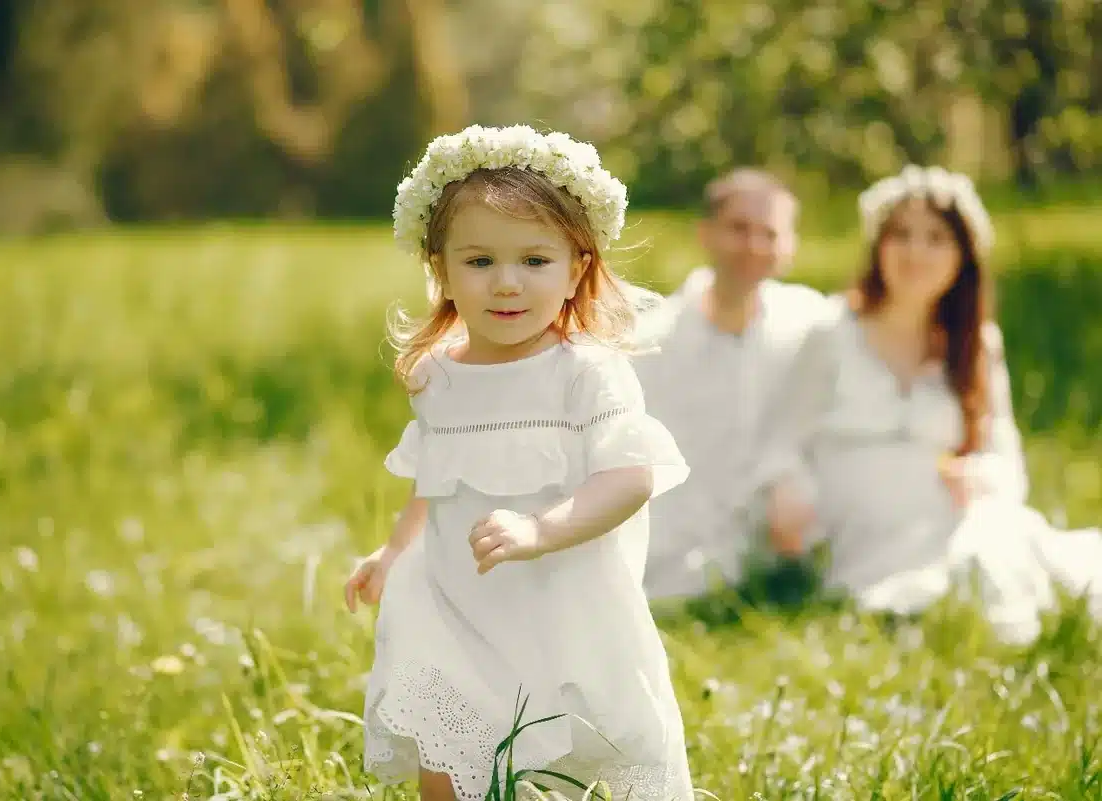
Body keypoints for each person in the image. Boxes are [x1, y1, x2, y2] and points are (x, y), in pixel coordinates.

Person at [343, 125, 695, 801]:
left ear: (576, 270)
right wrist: (392, 553)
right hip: (452, 601)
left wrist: (541, 530)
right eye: (480, 262)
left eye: (535, 260)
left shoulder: (586, 373)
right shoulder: (437, 377)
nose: (507, 283)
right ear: (440, 269)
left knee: (584, 746)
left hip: (560, 600)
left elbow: (630, 475)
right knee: (445, 746)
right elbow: (435, 481)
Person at [758, 164, 1102, 645]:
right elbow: (780, 441)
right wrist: (785, 490)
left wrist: (979, 475)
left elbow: (1004, 457)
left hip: (946, 515)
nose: (915, 252)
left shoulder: (976, 344)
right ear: (878, 246)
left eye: (937, 238)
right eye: (900, 235)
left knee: (1000, 552)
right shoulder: (832, 333)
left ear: (963, 256)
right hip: (859, 535)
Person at [634, 168, 833, 602]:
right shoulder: (651, 339)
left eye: (770, 233)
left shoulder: (812, 323)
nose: (754, 246)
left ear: (791, 246)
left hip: (782, 522)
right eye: (739, 229)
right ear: (706, 233)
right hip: (678, 527)